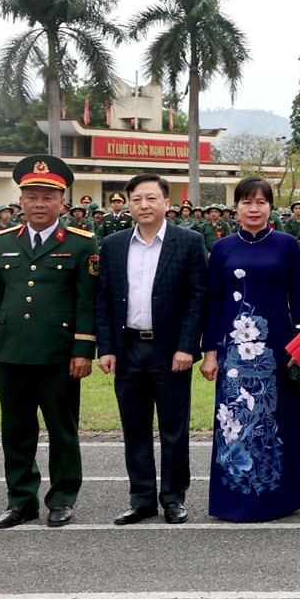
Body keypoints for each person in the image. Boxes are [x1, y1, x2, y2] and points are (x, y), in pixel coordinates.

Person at [0, 156, 97, 528]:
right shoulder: (1, 242)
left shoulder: (81, 244)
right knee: (16, 430)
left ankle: (62, 498)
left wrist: (82, 350)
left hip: (58, 354)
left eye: (48, 196)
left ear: (63, 201)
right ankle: (21, 499)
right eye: (31, 197)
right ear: (21, 201)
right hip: (11, 351)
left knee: (62, 430)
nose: (39, 204)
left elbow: (86, 301)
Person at [95, 173, 208, 525]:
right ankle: (141, 498)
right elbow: (105, 299)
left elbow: (197, 298)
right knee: (134, 426)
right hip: (128, 347)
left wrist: (187, 347)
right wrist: (107, 348)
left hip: (170, 350)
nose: (144, 205)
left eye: (151, 199)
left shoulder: (188, 241)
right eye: (136, 199)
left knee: (174, 428)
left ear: (166, 203)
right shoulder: (113, 244)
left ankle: (174, 498)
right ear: (128, 205)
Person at [200, 177, 300, 522]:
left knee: (276, 418)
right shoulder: (222, 248)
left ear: (271, 207)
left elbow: (297, 300)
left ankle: (279, 498)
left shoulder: (287, 245)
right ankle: (234, 498)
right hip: (234, 351)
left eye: (261, 202)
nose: (254, 208)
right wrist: (210, 352)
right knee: (236, 419)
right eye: (247, 202)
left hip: (277, 348)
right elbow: (213, 302)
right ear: (236, 208)